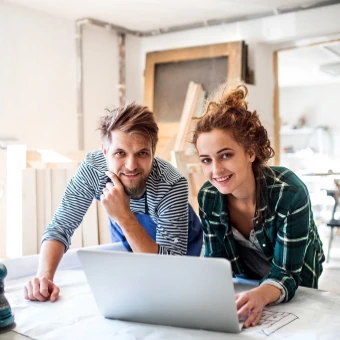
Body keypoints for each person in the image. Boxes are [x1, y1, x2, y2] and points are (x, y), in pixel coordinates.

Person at [24, 103, 203, 302]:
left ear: (153, 152)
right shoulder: (93, 170)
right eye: (120, 153)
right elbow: (61, 226)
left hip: (183, 248)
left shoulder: (172, 184)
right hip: (129, 238)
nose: (131, 166)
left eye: (142, 153)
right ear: (105, 152)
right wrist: (44, 277)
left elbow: (170, 269)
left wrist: (124, 216)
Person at [191, 84, 325, 328]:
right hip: (249, 280)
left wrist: (262, 295)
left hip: (297, 277)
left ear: (250, 152)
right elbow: (216, 263)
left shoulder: (289, 192)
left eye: (226, 155)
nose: (216, 170)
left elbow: (288, 273)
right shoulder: (209, 197)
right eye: (206, 160)